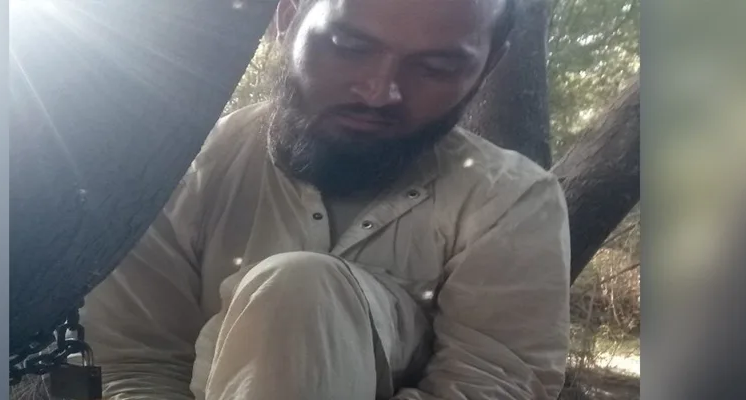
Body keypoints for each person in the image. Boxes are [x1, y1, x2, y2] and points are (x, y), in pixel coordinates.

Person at [81, 0, 571, 399]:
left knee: (300, 287)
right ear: (287, 17)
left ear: (489, 64)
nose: (379, 92)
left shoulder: (511, 199)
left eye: (436, 67)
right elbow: (136, 365)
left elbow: (493, 385)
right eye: (348, 46)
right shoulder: (179, 171)